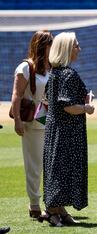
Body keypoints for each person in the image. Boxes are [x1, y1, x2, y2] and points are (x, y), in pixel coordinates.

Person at [39, 32, 95, 227]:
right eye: (76, 45)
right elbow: (68, 106)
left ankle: (59, 211)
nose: (79, 49)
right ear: (67, 49)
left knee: (56, 169)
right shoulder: (68, 74)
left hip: (54, 129)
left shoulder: (55, 73)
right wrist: (86, 107)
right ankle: (53, 211)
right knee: (63, 170)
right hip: (67, 131)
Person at [10, 30, 53, 219]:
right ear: (42, 45)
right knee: (34, 165)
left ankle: (52, 204)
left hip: (51, 121)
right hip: (32, 122)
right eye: (50, 42)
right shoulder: (25, 68)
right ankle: (34, 204)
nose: (53, 46)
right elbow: (17, 95)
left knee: (50, 165)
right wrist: (17, 121)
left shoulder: (52, 67)